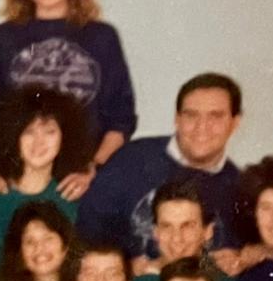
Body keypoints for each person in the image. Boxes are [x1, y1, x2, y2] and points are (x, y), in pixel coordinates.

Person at [0, 0, 137, 193]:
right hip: (17, 183)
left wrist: (93, 168)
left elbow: (121, 119)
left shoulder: (102, 37)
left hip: (82, 184)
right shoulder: (1, 38)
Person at [77, 72, 244, 267]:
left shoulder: (241, 190)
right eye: (191, 115)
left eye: (215, 116)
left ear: (234, 123)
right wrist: (125, 268)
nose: (202, 127)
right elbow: (86, 232)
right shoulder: (131, 160)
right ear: (177, 119)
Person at [0, 86, 88, 260]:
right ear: (14, 137)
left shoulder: (72, 194)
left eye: (50, 132)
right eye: (29, 132)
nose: (39, 141)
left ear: (65, 137)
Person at [122, 179, 236, 281]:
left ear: (207, 231)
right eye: (167, 227)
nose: (177, 238)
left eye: (187, 226)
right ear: (155, 232)